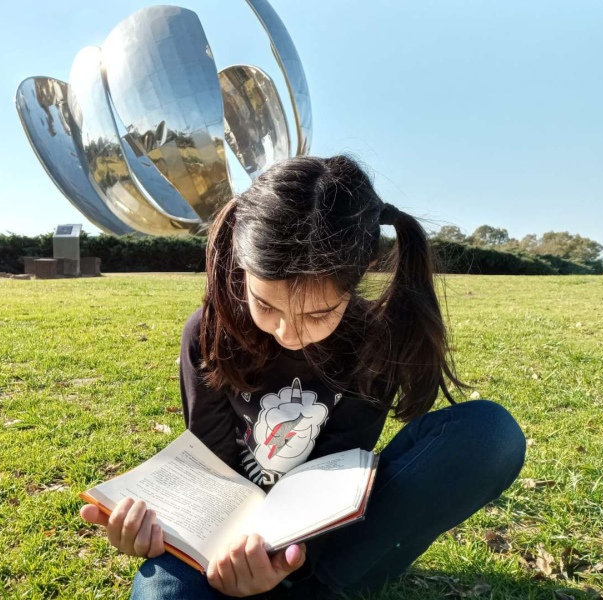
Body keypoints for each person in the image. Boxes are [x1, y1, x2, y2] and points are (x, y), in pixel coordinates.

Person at [80, 155, 526, 599]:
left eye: (318, 314)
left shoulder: (376, 342)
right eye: (266, 305)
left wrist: (290, 563)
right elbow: (210, 466)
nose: (287, 332)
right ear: (241, 265)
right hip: (224, 544)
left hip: (328, 545)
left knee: (489, 435)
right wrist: (178, 538)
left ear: (358, 278)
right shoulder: (207, 332)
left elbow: (336, 471)